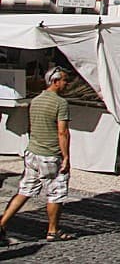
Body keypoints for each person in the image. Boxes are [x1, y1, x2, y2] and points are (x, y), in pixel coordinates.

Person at [0, 67, 73, 243]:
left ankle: (2, 223)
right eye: (64, 80)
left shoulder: (36, 100)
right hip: (50, 154)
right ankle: (52, 230)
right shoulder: (60, 103)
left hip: (33, 152)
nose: (67, 84)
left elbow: (31, 127)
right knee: (56, 192)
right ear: (55, 82)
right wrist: (66, 157)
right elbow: (62, 132)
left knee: (24, 191)